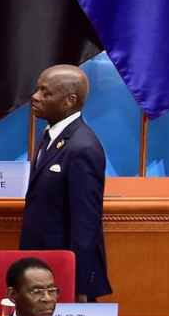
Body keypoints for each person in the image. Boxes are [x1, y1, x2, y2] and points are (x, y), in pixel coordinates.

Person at [20, 65, 111, 301]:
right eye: (38, 90)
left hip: (61, 275)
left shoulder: (83, 147)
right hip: (40, 263)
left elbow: (86, 222)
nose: (35, 97)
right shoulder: (50, 135)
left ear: (69, 101)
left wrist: (78, 285)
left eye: (45, 93)